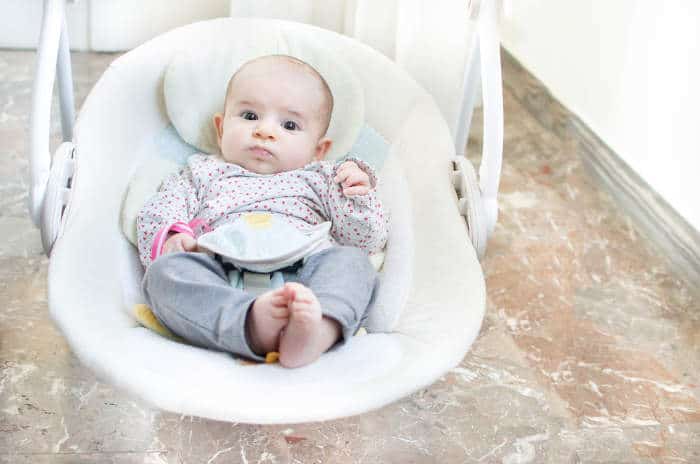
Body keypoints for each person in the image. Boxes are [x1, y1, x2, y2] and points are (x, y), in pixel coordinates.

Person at [137, 55, 388, 368]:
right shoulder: (202, 172)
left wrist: (357, 195)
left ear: (318, 150)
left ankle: (318, 328)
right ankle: (252, 326)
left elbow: (366, 239)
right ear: (220, 128)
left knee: (353, 263)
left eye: (289, 125)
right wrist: (174, 235)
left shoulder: (322, 177)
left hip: (308, 274)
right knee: (164, 275)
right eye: (249, 115)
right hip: (220, 276)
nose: (265, 131)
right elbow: (159, 208)